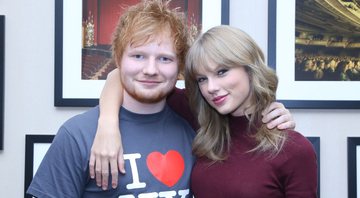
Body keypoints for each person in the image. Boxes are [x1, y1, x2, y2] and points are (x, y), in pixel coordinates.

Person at [88, 28, 307, 197]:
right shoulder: (201, 118)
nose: (211, 87)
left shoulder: (294, 149)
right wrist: (108, 126)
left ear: (250, 69)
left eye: (222, 72)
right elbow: (119, 75)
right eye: (202, 79)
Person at [27, 0, 196, 197]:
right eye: (138, 56)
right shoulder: (77, 135)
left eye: (164, 59)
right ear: (118, 59)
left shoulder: (192, 130)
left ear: (179, 66)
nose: (151, 70)